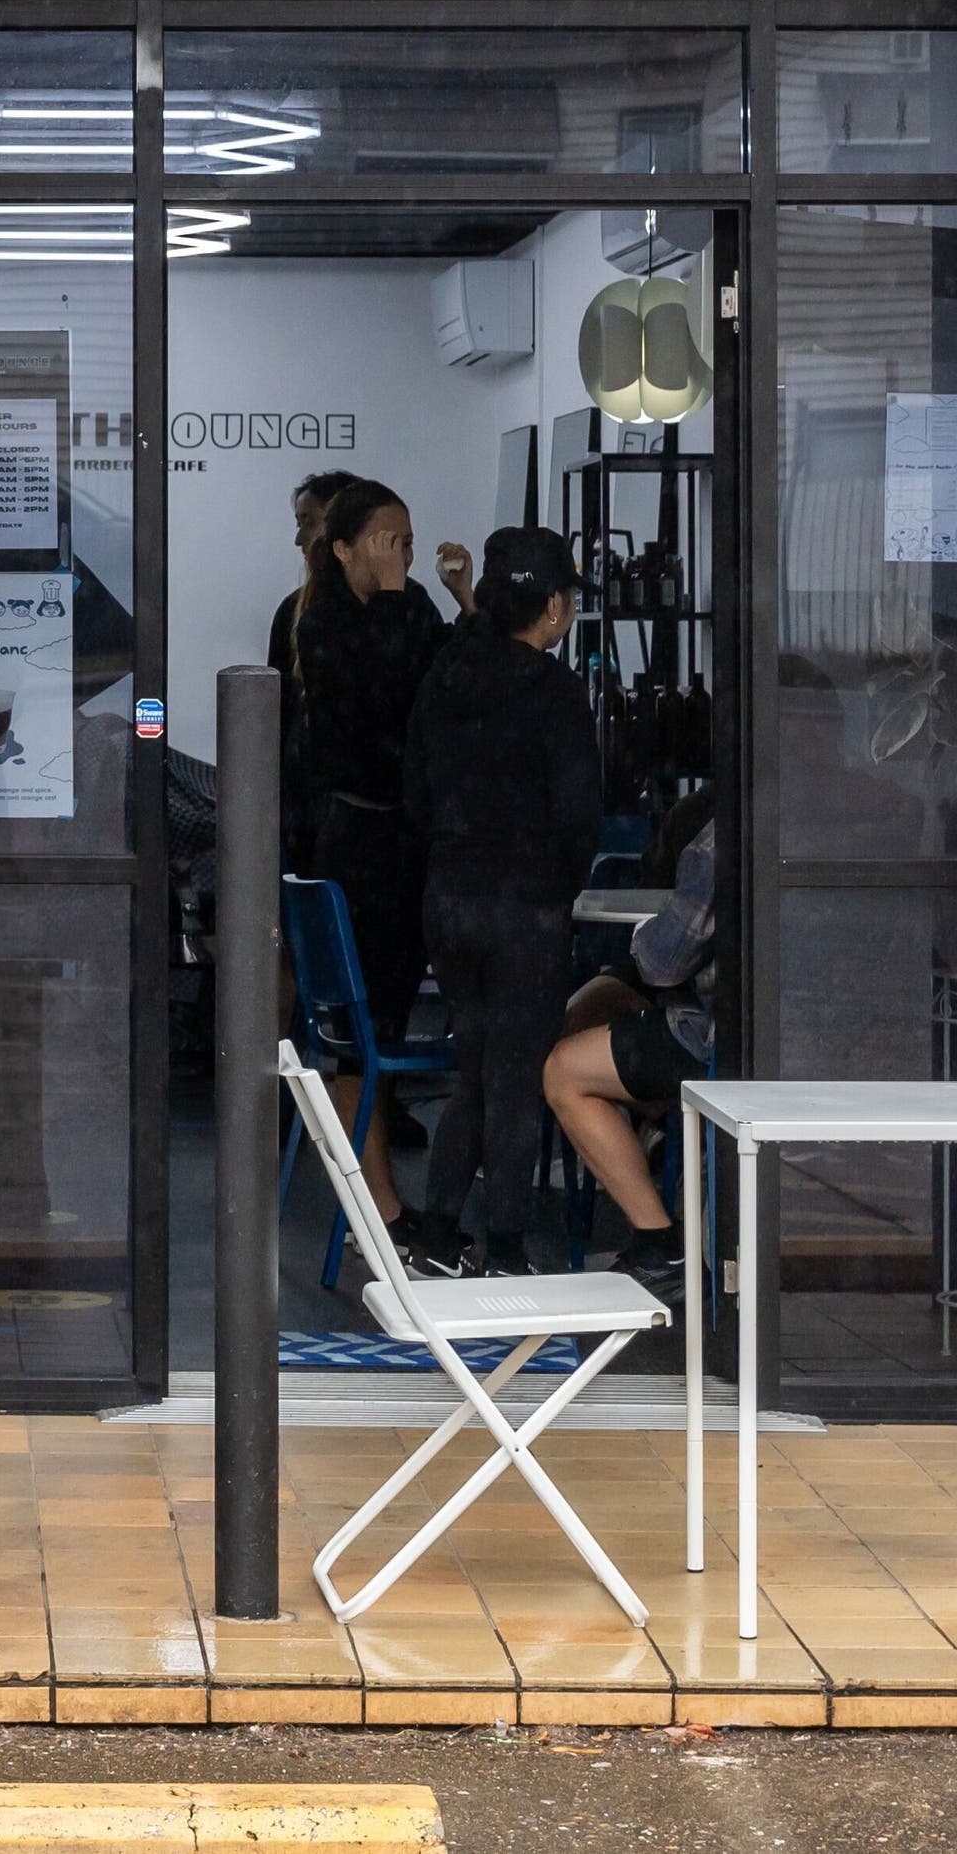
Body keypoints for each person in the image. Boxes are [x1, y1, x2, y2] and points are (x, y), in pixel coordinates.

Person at [404, 526, 602, 1279]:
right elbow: (580, 810)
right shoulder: (553, 690)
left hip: (450, 898)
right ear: (553, 606)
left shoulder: (447, 673)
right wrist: (555, 886)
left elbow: (415, 791)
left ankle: (436, 1238)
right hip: (524, 905)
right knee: (517, 1077)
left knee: (476, 1067)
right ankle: (509, 1250)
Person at [289, 479, 470, 1261]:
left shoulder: (416, 605)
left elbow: (455, 691)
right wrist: (401, 598)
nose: (403, 551)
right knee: (363, 1032)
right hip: (358, 845)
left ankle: (389, 1198)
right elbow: (383, 701)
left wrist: (462, 597)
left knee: (390, 1019)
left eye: (407, 537)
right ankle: (379, 1207)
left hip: (410, 845)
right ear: (343, 548)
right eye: (388, 538)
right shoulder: (324, 625)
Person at [544, 800, 715, 1307]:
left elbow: (664, 964)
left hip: (713, 1036)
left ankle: (658, 1246)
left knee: (562, 1071)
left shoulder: (718, 842)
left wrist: (644, 934)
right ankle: (660, 1132)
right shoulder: (840, 827)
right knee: (598, 1011)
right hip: (792, 1032)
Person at [265, 467, 358, 874]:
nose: (300, 539)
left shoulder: (397, 613)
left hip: (346, 818)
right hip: (305, 811)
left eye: (308, 523)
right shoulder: (291, 612)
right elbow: (276, 718)